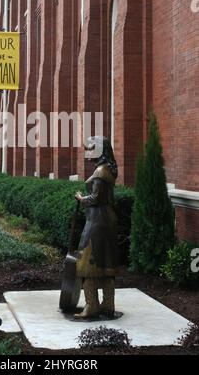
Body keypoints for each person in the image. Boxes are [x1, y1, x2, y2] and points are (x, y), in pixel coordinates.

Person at [74, 136, 118, 319]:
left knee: (86, 263)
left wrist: (81, 199)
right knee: (106, 263)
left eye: (91, 148)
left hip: (97, 221)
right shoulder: (108, 169)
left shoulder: (100, 172)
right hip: (107, 219)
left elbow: (95, 198)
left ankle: (92, 305)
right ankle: (108, 304)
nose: (87, 152)